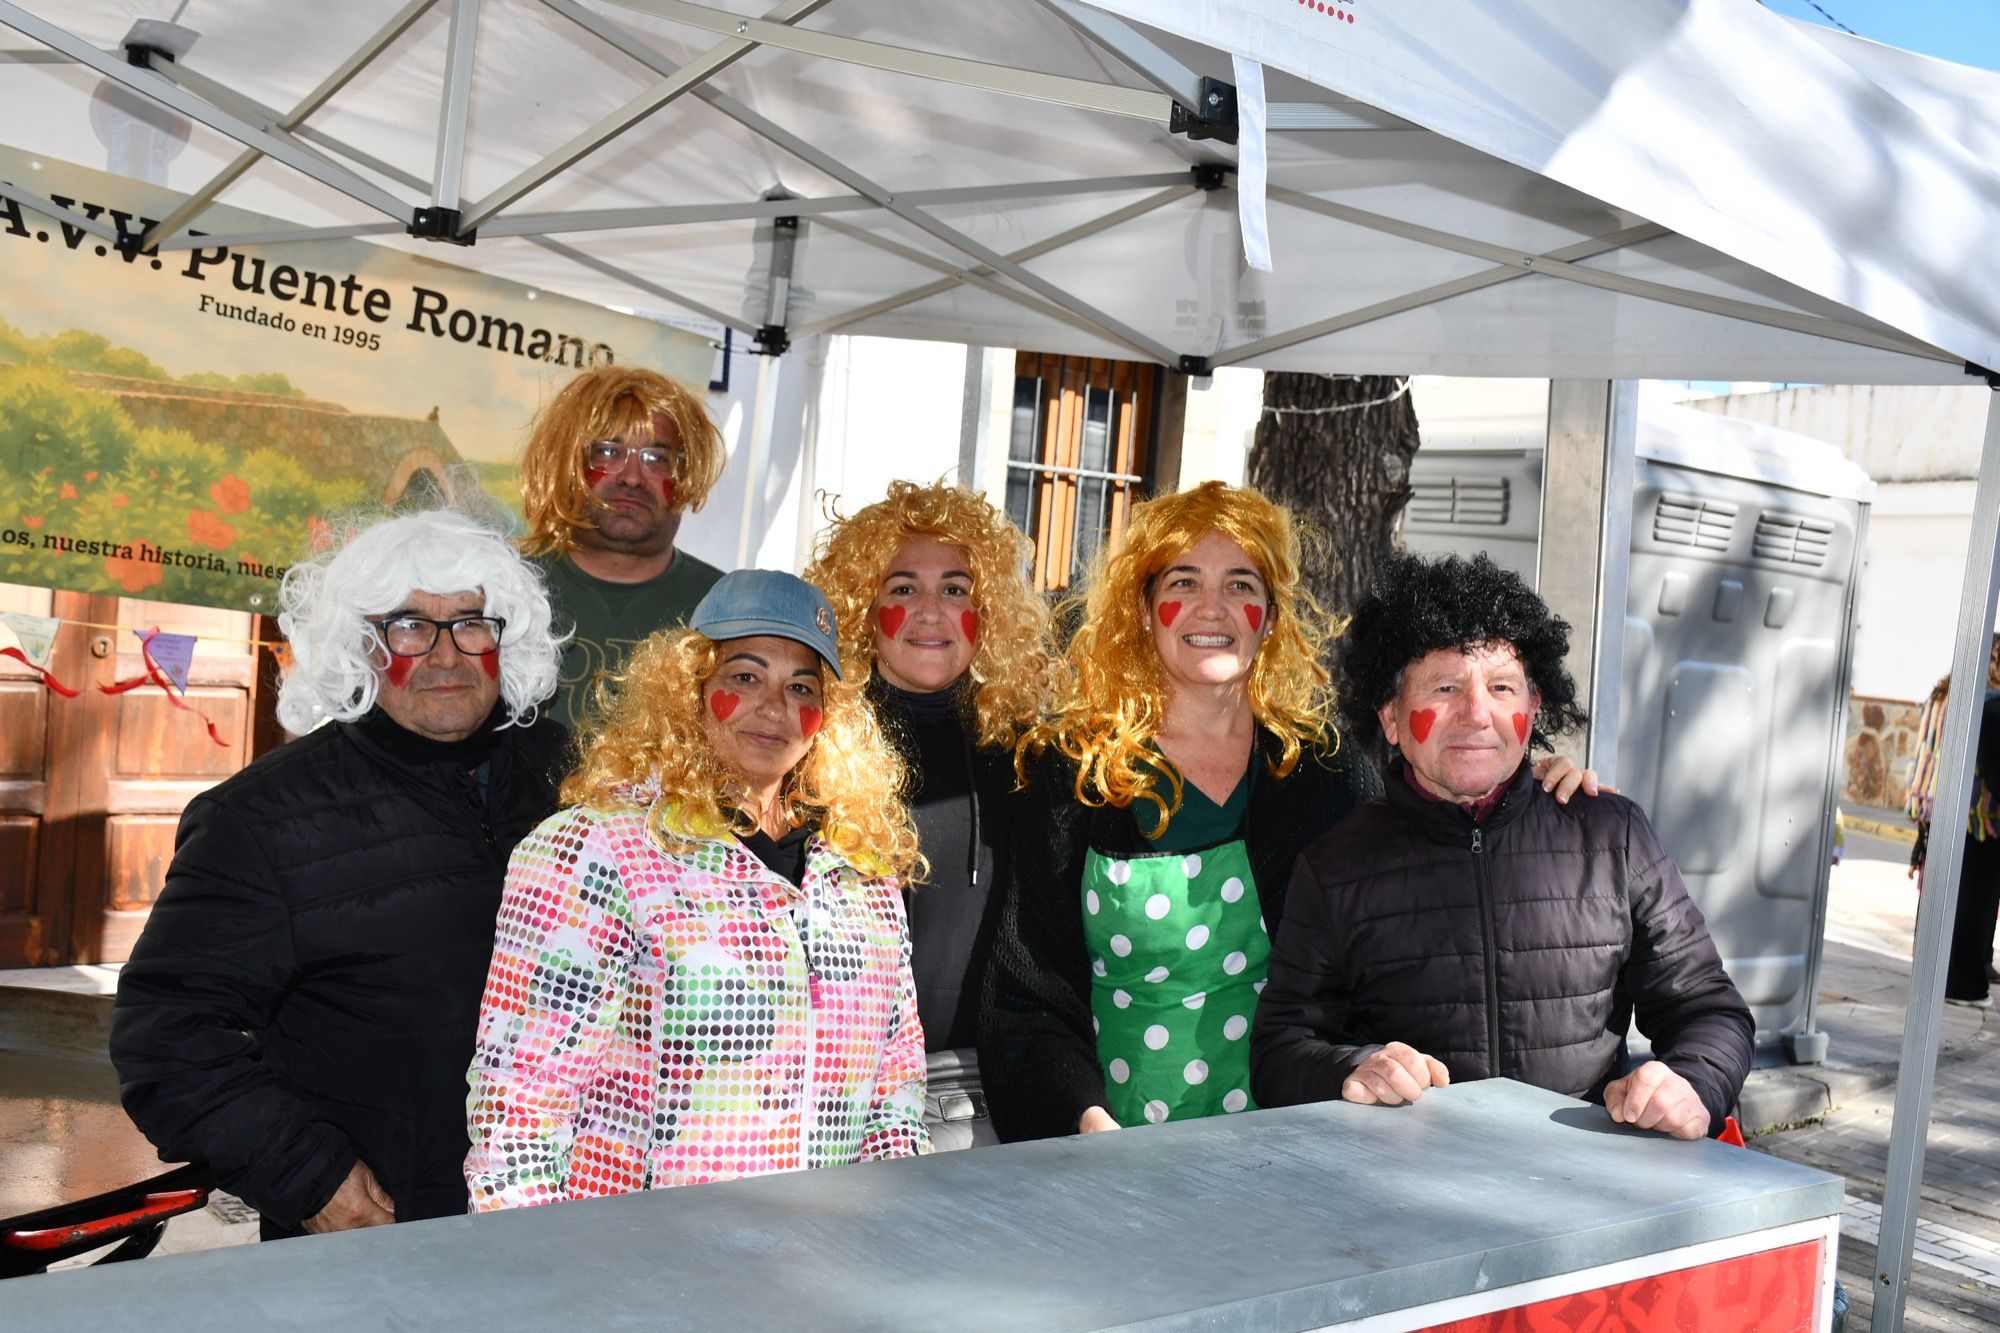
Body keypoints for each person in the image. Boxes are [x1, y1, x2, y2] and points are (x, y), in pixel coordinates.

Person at [110, 509, 568, 1239]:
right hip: (381, 1238)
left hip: (565, 1221)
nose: (446, 655)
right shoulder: (258, 819)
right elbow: (167, 1036)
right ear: (360, 646)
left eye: (472, 623)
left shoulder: (572, 780)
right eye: (409, 626)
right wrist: (308, 1176)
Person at [465, 570, 929, 1209]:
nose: (775, 707)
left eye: (802, 686)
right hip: (639, 1273)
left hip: (823, 1269)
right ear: (689, 688)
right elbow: (518, 1110)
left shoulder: (863, 868)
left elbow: (894, 1094)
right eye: (745, 676)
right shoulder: (598, 848)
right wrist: (546, 1286)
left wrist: (889, 1245)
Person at [1252, 551, 1754, 1140]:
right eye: (1445, 686)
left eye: (1501, 686)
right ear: (1391, 718)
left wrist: (1691, 1081)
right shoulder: (1335, 866)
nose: (1476, 713)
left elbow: (1709, 1010)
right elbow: (1279, 1052)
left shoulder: (1612, 835)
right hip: (1403, 1200)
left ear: (1533, 707)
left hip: (1587, 1192)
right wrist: (1351, 1069)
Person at [976, 481, 1383, 1141]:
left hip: (1294, 1152)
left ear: (1272, 616)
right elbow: (1029, 990)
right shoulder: (1075, 773)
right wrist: (1085, 1126)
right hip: (1112, 1153)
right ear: (1142, 607)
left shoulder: (1330, 774)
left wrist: (1539, 791)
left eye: (1242, 586)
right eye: (1184, 582)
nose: (1212, 608)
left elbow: (1400, 940)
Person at [803, 482, 1053, 1057]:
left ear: (985, 612)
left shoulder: (1027, 759)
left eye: (955, 589)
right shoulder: (811, 747)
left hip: (982, 1088)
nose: (931, 612)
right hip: (843, 1088)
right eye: (904, 588)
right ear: (862, 607)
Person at [517, 365, 729, 728]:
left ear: (685, 474)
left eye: (656, 458)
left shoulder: (724, 608)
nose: (631, 477)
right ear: (569, 462)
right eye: (607, 452)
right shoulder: (507, 585)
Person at [1905, 635, 2000, 1007]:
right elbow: (1992, 768)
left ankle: (1932, 972)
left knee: (1941, 894)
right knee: (1975, 901)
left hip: (1935, 807)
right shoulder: (1990, 705)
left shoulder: (1943, 696)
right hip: (1978, 818)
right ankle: (1965, 983)